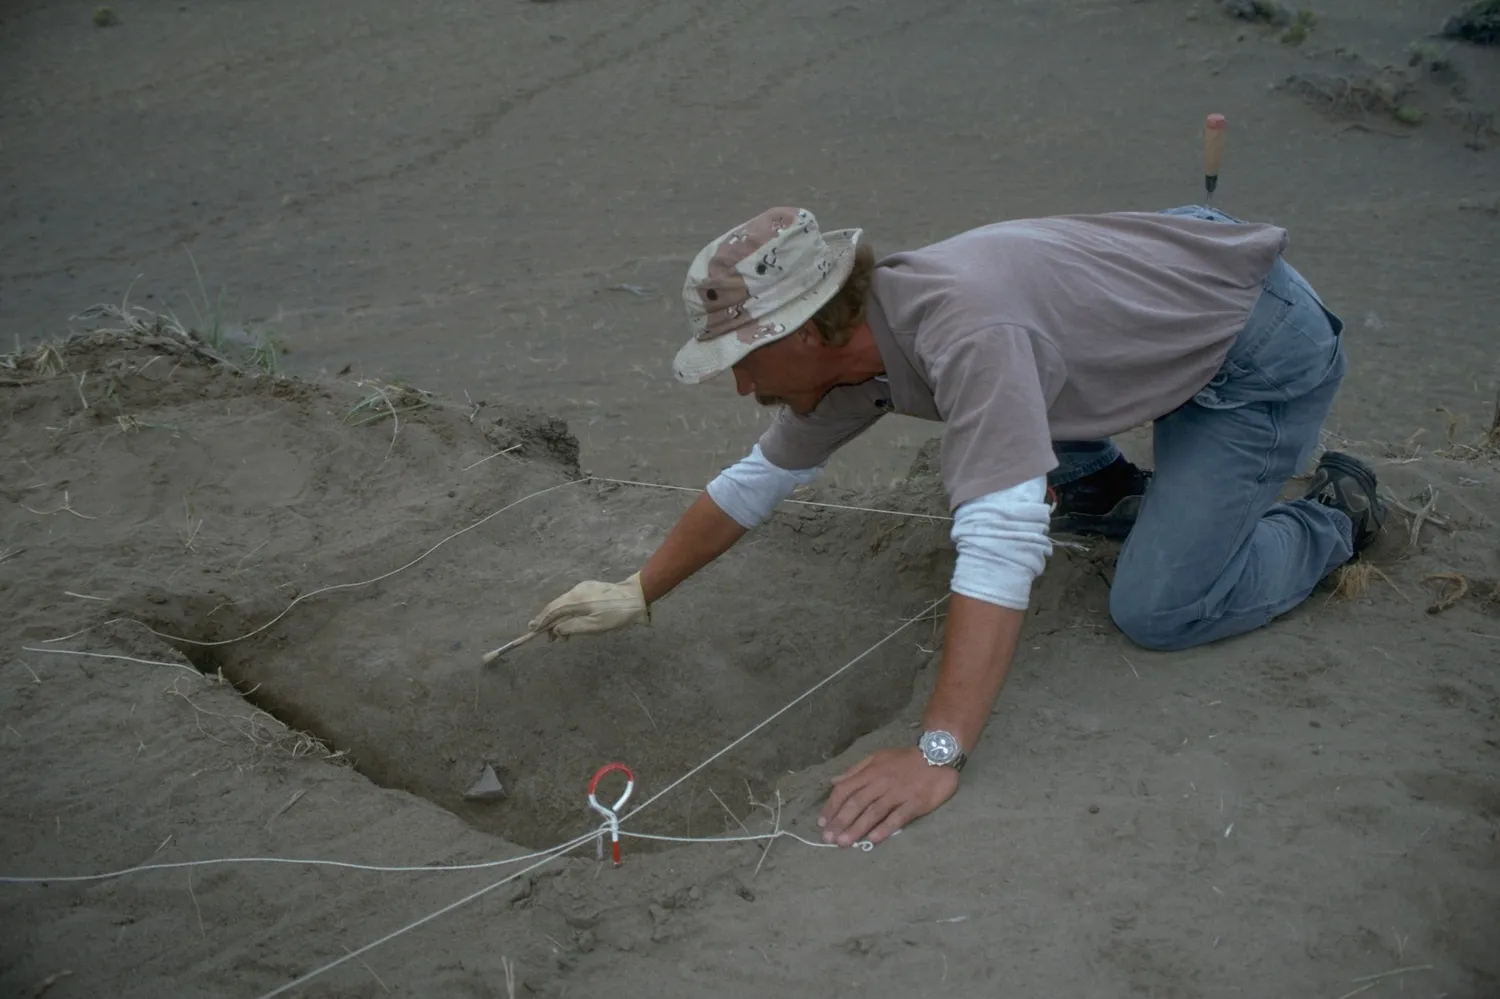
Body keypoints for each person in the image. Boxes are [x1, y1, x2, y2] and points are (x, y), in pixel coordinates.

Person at [525, 204, 1385, 850]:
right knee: (1010, 437)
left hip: (1246, 348)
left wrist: (938, 751)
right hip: (1132, 311)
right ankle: (1113, 489)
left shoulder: (962, 330)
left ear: (808, 329)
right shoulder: (855, 357)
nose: (742, 386)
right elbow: (760, 478)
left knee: (1159, 607)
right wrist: (638, 590)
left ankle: (1329, 520)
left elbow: (1005, 537)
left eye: (745, 359)